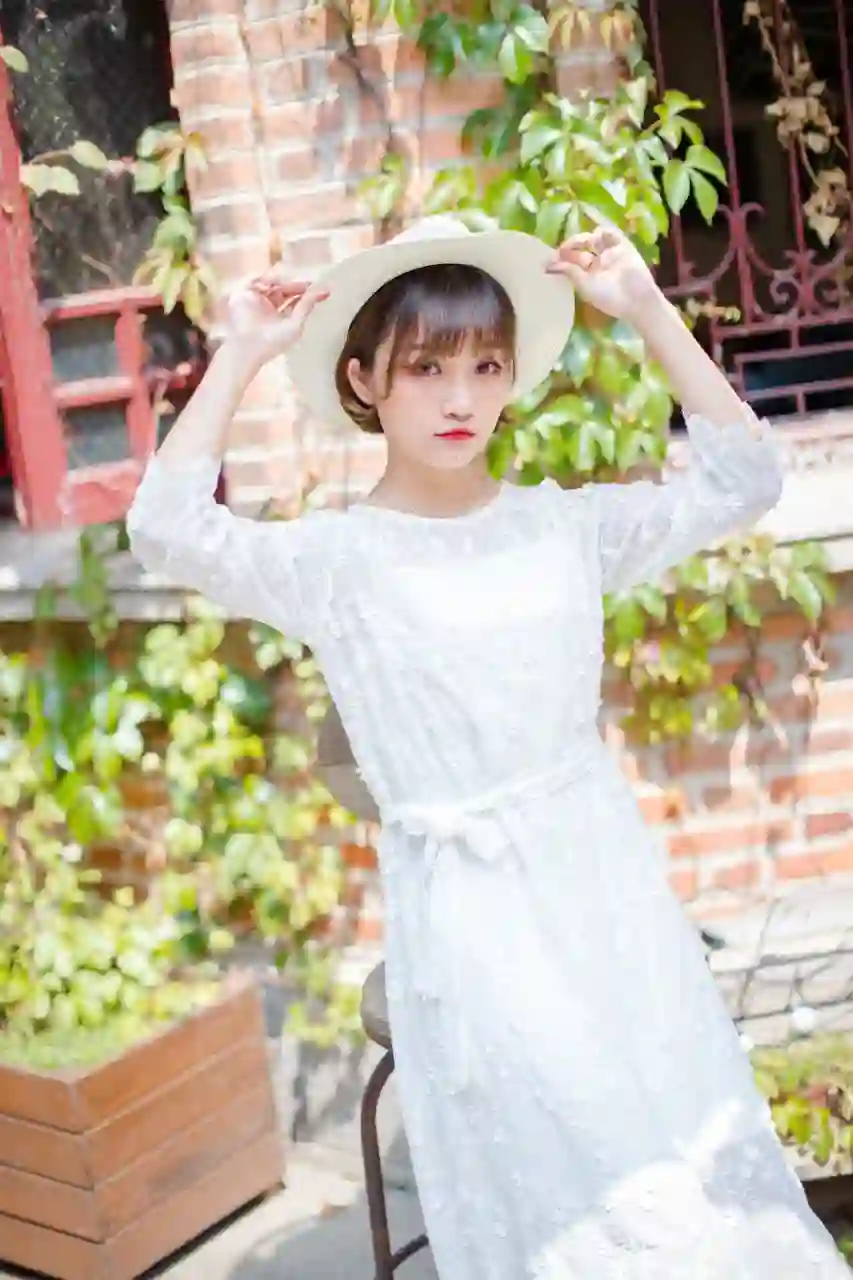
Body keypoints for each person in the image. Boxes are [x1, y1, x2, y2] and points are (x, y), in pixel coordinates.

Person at [126, 214, 846, 1277]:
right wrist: (238, 352)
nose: (460, 398)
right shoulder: (337, 561)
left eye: (485, 366)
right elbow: (166, 530)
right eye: (426, 368)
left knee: (682, 1164)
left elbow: (743, 480)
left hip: (600, 887)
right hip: (466, 916)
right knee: (566, 1200)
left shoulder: (563, 528)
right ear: (364, 380)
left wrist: (645, 306)